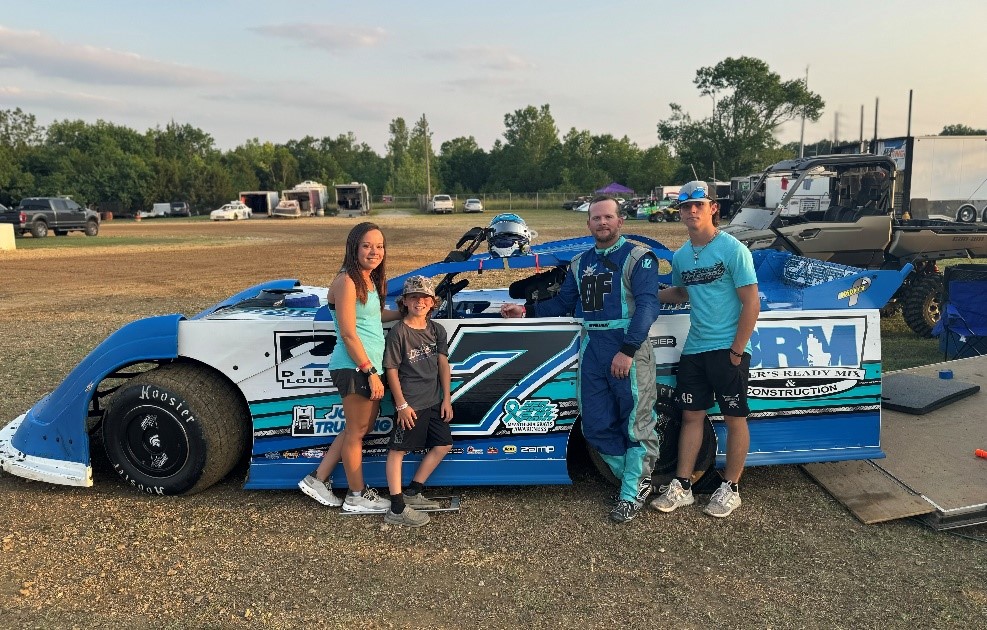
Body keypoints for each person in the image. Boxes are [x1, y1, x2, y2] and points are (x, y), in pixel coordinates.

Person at [500, 199, 662, 523]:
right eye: (596, 218)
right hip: (592, 346)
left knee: (636, 423)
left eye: (608, 217)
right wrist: (526, 311)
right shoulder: (580, 262)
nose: (602, 222)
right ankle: (637, 480)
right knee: (596, 425)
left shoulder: (639, 257)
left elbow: (648, 306)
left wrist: (628, 350)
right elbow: (563, 302)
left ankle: (630, 493)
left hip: (627, 345)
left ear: (620, 221)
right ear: (588, 223)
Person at [652, 180, 760, 518]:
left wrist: (737, 350)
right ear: (680, 212)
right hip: (695, 348)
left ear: (713, 207)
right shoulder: (681, 255)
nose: (692, 210)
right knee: (691, 416)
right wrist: (643, 296)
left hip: (728, 348)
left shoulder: (732, 249)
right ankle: (682, 485)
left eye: (699, 204)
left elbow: (751, 302)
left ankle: (731, 488)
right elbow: (681, 293)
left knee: (734, 417)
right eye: (686, 206)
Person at [298, 222, 402, 513]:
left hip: (366, 366)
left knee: (358, 428)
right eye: (367, 245)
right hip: (355, 366)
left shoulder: (368, 280)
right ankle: (357, 495)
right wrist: (369, 371)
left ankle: (318, 478)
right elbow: (347, 332)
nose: (374, 251)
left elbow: (373, 316)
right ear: (354, 247)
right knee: (357, 432)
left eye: (379, 246)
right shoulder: (346, 281)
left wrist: (402, 312)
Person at [382, 275, 454, 527]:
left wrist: (447, 398)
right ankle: (397, 506)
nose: (419, 301)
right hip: (410, 404)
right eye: (414, 297)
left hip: (434, 400)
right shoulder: (398, 333)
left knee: (443, 444)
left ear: (432, 302)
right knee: (398, 450)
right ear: (404, 302)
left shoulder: (437, 330)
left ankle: (413, 491)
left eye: (424, 297)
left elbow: (443, 364)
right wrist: (401, 405)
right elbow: (391, 370)